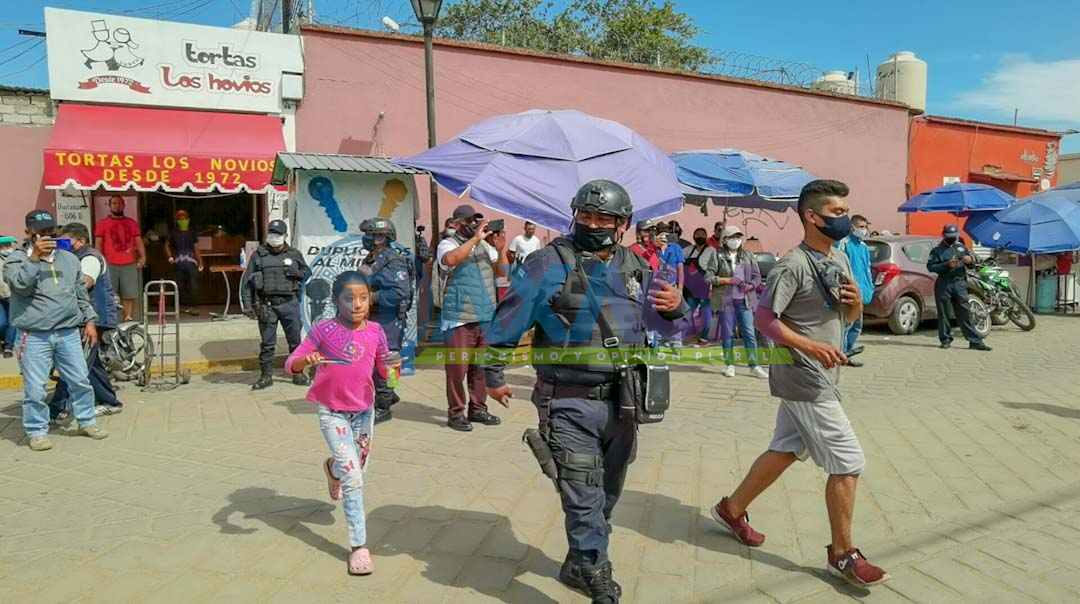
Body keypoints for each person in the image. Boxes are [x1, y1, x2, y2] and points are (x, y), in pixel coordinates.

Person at [484, 180, 685, 604]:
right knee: (583, 492)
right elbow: (509, 319)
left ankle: (578, 561)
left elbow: (666, 326)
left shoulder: (636, 266)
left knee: (607, 493)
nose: (593, 224)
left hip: (625, 402)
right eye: (586, 216)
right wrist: (493, 372)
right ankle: (596, 573)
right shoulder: (546, 263)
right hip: (567, 400)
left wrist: (678, 308)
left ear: (623, 223)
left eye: (604, 218)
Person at [710, 180, 889, 588]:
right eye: (837, 212)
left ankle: (731, 509)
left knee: (787, 448)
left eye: (846, 211)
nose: (845, 219)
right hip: (803, 375)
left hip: (822, 371)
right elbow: (763, 320)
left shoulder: (838, 257)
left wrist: (855, 303)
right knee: (848, 461)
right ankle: (842, 554)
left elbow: (847, 313)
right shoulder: (793, 265)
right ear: (812, 216)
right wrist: (810, 346)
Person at [284, 271, 396, 577]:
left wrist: (392, 369)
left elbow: (385, 370)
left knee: (353, 467)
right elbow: (290, 363)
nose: (357, 304)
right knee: (354, 479)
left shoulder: (375, 331)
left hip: (363, 413)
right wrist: (305, 362)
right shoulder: (324, 330)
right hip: (331, 412)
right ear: (337, 301)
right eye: (349, 298)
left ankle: (332, 468)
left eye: (363, 297)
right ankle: (359, 546)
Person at [4, 210, 107, 451]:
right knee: (35, 387)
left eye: (51, 231)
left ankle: (86, 421)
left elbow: (80, 293)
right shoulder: (16, 259)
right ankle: (37, 431)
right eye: (41, 232)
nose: (47, 236)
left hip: (68, 332)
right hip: (33, 334)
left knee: (80, 380)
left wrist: (90, 321)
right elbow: (19, 285)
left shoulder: (69, 259)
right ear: (28, 232)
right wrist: (35, 259)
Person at [437, 204, 507, 432]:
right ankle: (456, 413)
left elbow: (502, 273)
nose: (474, 225)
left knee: (480, 368)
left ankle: (478, 409)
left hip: (485, 316)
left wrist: (501, 248)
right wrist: (476, 239)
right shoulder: (447, 244)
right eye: (469, 221)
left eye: (476, 221)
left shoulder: (485, 246)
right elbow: (451, 260)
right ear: (457, 224)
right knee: (458, 370)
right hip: (459, 318)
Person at [49, 223, 123, 420]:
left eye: (66, 242)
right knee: (91, 363)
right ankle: (109, 401)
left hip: (94, 318)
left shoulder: (89, 257)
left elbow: (85, 282)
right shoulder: (71, 257)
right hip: (82, 318)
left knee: (74, 363)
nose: (61, 246)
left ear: (80, 241)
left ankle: (56, 408)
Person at [241, 219, 312, 390]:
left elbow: (307, 273)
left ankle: (298, 373)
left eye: (278, 234)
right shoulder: (259, 255)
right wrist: (248, 305)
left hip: (290, 304)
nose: (274, 237)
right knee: (267, 343)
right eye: (272, 233)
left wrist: (296, 272)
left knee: (295, 341)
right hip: (267, 305)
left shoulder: (294, 253)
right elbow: (247, 281)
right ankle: (266, 376)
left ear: (285, 236)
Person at [358, 218, 414, 425]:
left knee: (387, 362)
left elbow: (400, 293)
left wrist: (372, 298)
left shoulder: (393, 260)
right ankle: (389, 393)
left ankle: (383, 405)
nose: (366, 239)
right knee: (374, 361)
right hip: (373, 317)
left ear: (381, 237)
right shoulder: (373, 258)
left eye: (370, 235)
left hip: (388, 318)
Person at [711, 225, 768, 379]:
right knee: (727, 333)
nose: (736, 240)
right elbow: (708, 277)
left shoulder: (748, 255)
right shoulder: (717, 255)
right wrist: (726, 280)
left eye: (738, 237)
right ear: (725, 240)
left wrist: (751, 285)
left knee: (749, 332)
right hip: (725, 299)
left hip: (745, 299)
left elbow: (757, 276)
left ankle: (754, 365)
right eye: (732, 237)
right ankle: (729, 365)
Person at [927, 225, 991, 351]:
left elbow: (973, 265)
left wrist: (970, 260)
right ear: (943, 235)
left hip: (959, 283)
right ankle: (945, 340)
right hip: (944, 283)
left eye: (953, 236)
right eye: (949, 236)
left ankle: (975, 341)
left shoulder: (961, 247)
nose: (952, 239)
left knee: (965, 313)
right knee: (944, 313)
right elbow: (930, 267)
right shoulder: (937, 251)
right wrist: (946, 265)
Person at [94, 195, 145, 321]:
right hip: (109, 263)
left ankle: (128, 318)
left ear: (124, 205)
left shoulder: (132, 223)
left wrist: (143, 257)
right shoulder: (102, 223)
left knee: (129, 293)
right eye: (114, 203)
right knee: (110, 293)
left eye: (120, 203)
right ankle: (112, 319)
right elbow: (98, 244)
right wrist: (99, 261)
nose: (117, 205)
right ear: (110, 206)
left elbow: (139, 242)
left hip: (129, 263)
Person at [836, 215, 874, 366]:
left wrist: (869, 288)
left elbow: (867, 269)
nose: (864, 230)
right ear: (852, 227)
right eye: (861, 226)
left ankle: (848, 352)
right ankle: (840, 354)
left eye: (865, 226)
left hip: (862, 293)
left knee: (857, 326)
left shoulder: (864, 247)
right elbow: (839, 266)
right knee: (846, 325)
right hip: (849, 291)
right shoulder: (844, 243)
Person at [682, 228, 718, 346]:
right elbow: (678, 259)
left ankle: (704, 338)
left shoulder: (711, 250)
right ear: (693, 236)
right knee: (687, 314)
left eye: (702, 234)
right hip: (690, 289)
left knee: (706, 315)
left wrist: (712, 286)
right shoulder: (688, 250)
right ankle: (687, 336)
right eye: (697, 234)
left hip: (704, 287)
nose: (699, 236)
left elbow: (715, 268)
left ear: (706, 236)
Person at [164, 209, 204, 316]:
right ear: (177, 220)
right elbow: (166, 245)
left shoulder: (192, 232)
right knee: (179, 285)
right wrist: (170, 257)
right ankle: (180, 307)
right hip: (178, 262)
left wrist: (200, 262)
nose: (182, 220)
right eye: (180, 218)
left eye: (184, 218)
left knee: (193, 285)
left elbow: (196, 248)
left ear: (188, 219)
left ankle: (194, 307)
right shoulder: (173, 232)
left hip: (191, 262)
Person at [0, 235, 17, 356]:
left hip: (14, 295)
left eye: (8, 245)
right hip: (0, 296)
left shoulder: (16, 258)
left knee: (12, 322)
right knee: (2, 323)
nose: (6, 248)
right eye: (3, 246)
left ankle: (8, 346)